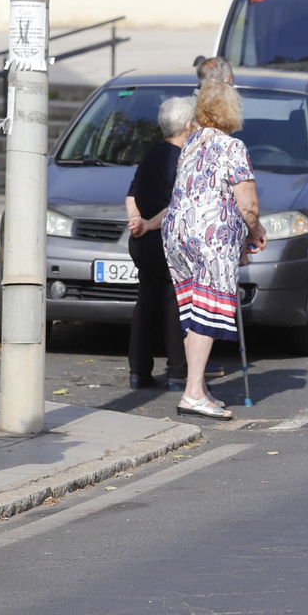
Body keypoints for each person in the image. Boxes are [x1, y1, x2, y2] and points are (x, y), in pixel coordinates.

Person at [162, 82, 264, 422]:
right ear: (231, 111)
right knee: (207, 312)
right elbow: (246, 201)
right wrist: (256, 230)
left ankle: (198, 388)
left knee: (194, 311)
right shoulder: (231, 146)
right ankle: (192, 393)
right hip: (210, 237)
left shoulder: (192, 142)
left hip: (177, 234)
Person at [125, 95, 196, 391]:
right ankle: (178, 373)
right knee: (175, 304)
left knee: (145, 303)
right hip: (169, 241)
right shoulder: (184, 159)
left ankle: (139, 372)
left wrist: (137, 222)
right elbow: (177, 206)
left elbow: (131, 195)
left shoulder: (150, 155)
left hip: (143, 244)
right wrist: (149, 223)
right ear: (188, 125)